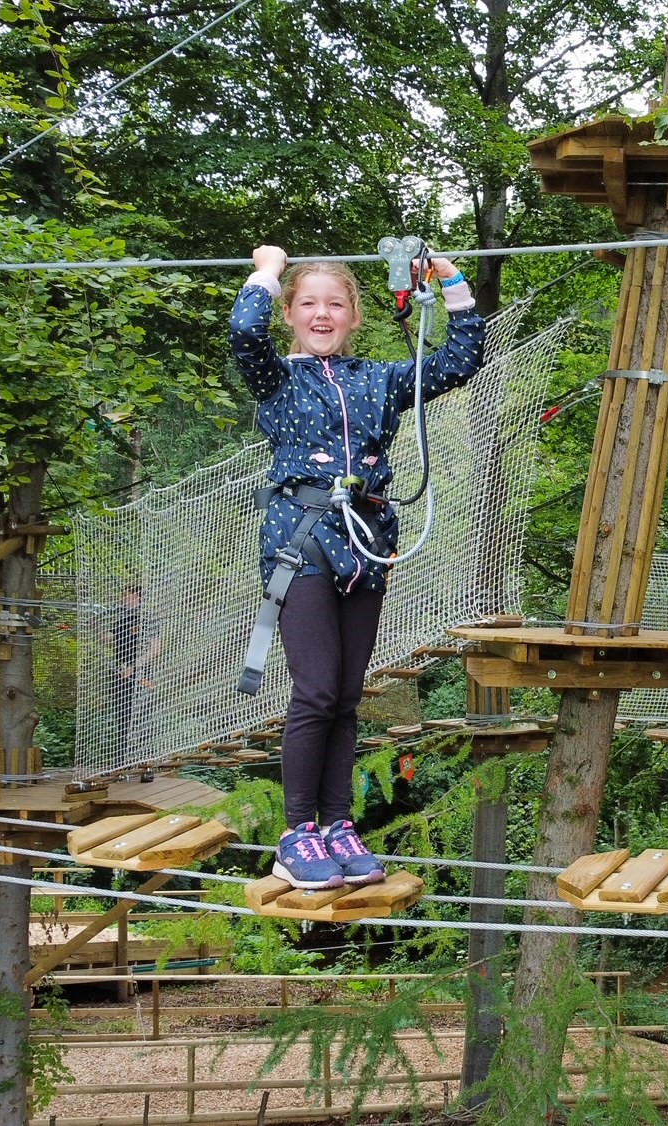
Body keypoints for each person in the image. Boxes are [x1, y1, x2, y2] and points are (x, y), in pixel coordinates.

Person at [229, 245, 486, 889]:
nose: (323, 314)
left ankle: (338, 826)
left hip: (367, 540)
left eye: (335, 304)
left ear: (354, 316)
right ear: (290, 314)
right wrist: (267, 271)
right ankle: (297, 833)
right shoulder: (277, 378)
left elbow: (460, 361)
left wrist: (450, 282)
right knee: (315, 690)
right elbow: (242, 331)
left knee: (346, 697)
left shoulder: (379, 380)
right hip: (303, 540)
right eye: (309, 303)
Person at [105, 584, 160, 759]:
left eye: (127, 595)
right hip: (121, 673)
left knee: (143, 718)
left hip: (142, 675)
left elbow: (155, 649)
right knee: (122, 717)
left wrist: (134, 667)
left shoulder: (149, 619)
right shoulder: (122, 620)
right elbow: (107, 640)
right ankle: (121, 760)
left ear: (138, 598)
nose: (123, 599)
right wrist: (94, 622)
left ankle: (146, 762)